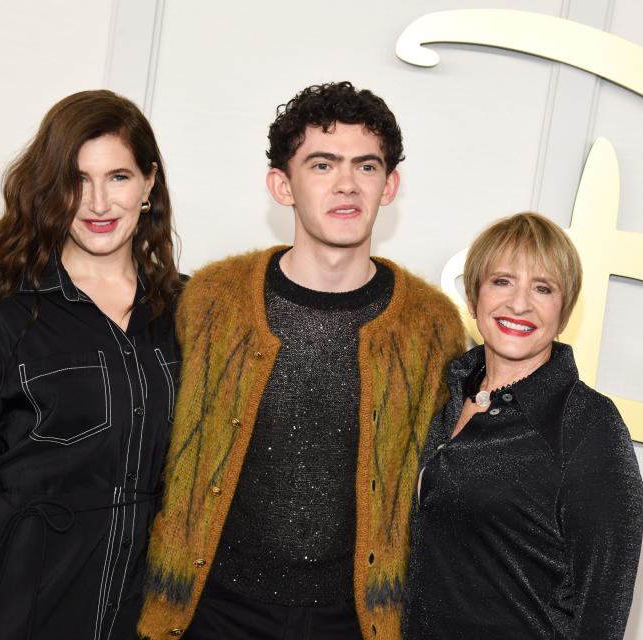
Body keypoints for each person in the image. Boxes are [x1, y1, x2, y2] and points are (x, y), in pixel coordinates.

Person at [137, 82, 465, 640]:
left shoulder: (431, 328)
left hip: (358, 620)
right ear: (281, 185)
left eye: (366, 166)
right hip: (209, 611)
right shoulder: (211, 300)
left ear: (390, 187)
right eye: (322, 164)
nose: (346, 184)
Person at [0, 90, 184, 639]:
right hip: (16, 614)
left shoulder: (188, 313)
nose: (98, 202)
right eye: (77, 180)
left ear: (148, 183)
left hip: (142, 620)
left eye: (118, 177)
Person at [404, 213, 643, 639]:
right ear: (473, 298)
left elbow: (602, 611)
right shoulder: (440, 396)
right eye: (502, 281)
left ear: (564, 311)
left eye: (543, 288)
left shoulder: (588, 425)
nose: (519, 304)